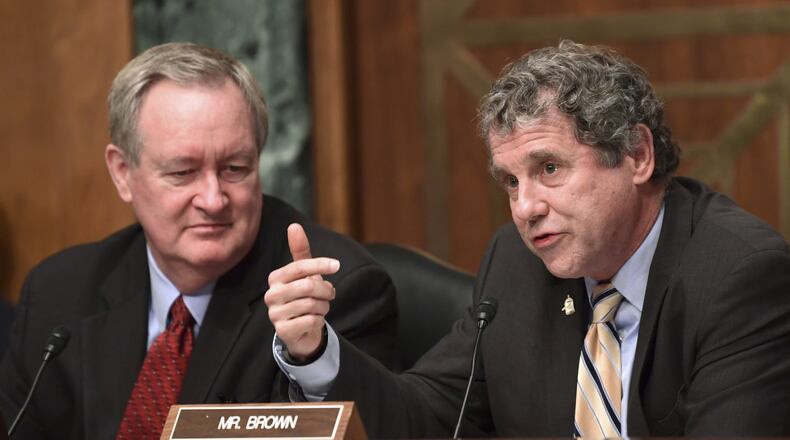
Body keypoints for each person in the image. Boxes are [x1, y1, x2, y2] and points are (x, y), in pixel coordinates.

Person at [265, 40, 790, 437]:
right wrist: (316, 350)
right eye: (511, 182)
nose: (525, 208)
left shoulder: (738, 274)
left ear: (636, 155)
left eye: (550, 168)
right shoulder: (517, 262)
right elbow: (430, 415)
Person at [0, 42, 397, 439]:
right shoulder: (59, 294)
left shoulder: (329, 294)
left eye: (235, 168)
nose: (213, 199)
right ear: (122, 173)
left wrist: (312, 357)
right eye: (182, 172)